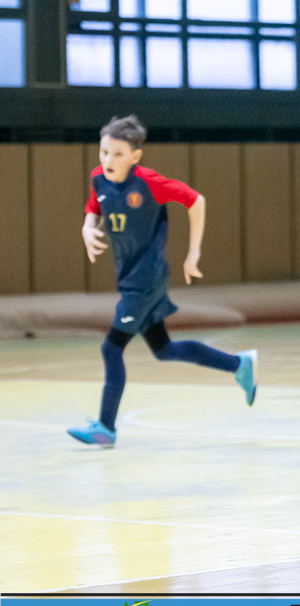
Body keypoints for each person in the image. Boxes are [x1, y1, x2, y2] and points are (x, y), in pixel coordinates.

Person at [67, 115, 257, 448]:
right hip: (130, 278)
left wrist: (193, 253)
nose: (108, 160)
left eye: (118, 154)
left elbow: (196, 200)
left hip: (146, 279)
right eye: (104, 152)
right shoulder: (99, 178)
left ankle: (106, 428)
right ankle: (239, 364)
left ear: (135, 157)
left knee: (111, 347)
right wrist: (87, 228)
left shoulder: (149, 183)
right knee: (164, 349)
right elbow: (93, 207)